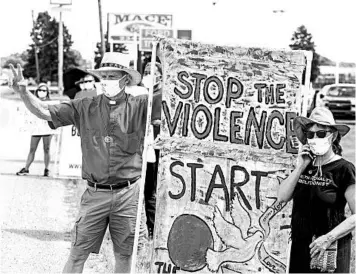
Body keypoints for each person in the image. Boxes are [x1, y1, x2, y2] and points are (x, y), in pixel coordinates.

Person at [10, 51, 162, 273]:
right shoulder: (84, 106)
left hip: (128, 194)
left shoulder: (142, 106)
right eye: (105, 75)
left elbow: (174, 102)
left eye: (114, 75)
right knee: (77, 254)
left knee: (125, 256)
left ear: (126, 79)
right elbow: (44, 111)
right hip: (95, 194)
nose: (108, 80)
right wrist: (24, 93)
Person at [278, 107, 355, 273]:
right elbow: (282, 197)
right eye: (310, 134)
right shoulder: (305, 165)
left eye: (321, 134)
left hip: (330, 249)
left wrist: (328, 238)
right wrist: (300, 167)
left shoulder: (344, 169)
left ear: (333, 136)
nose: (315, 138)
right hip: (301, 247)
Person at [141, 61, 163, 238]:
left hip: (155, 147)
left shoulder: (163, 94)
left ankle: (152, 229)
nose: (149, 75)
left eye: (152, 72)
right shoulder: (142, 93)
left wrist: (156, 123)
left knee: (150, 189)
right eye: (146, 71)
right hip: (140, 145)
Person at [16, 83, 54, 177]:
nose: (42, 92)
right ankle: (26, 168)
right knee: (32, 149)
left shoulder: (52, 103)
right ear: (37, 92)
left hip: (47, 128)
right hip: (36, 128)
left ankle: (47, 169)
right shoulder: (33, 101)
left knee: (47, 149)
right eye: (40, 90)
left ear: (47, 92)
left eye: (44, 90)